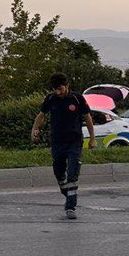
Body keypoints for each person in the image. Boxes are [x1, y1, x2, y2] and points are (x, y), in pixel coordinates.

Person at [31, 73, 95, 220]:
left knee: (72, 173)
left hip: (74, 142)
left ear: (67, 86)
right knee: (59, 172)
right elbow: (41, 115)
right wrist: (35, 129)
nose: (58, 92)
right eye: (55, 89)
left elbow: (88, 118)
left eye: (60, 89)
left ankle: (70, 207)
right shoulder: (50, 99)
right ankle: (68, 193)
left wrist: (92, 139)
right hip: (57, 142)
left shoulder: (77, 99)